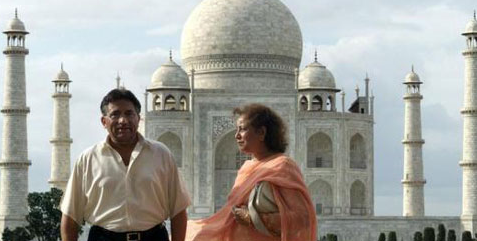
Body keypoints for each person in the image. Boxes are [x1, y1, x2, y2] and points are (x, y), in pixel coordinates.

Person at [60, 88, 191, 241]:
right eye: (115, 114)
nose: (123, 120)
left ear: (138, 118)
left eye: (129, 113)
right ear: (104, 121)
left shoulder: (161, 154)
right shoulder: (88, 159)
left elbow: (179, 210)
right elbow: (70, 217)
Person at [186, 103, 317, 241]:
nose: (236, 135)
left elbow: (302, 219)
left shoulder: (283, 166)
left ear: (261, 133)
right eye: (237, 130)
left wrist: (253, 218)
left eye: (242, 129)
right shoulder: (247, 168)